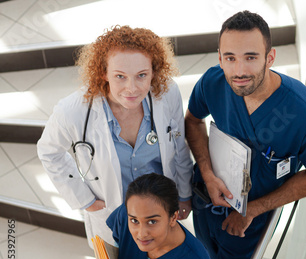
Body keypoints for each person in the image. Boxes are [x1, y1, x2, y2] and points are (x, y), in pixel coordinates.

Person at [185, 10, 306, 259]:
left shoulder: (304, 115)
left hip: (249, 225)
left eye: (250, 57)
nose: (239, 70)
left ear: (270, 58)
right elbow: (192, 121)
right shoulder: (214, 82)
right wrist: (207, 174)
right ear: (220, 58)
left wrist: (252, 211)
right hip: (206, 201)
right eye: (230, 58)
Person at [37, 26, 193, 247]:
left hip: (160, 210)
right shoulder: (73, 111)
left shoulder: (167, 93)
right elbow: (48, 152)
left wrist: (184, 193)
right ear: (104, 73)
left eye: (142, 75)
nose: (132, 88)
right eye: (120, 76)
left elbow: (179, 143)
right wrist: (85, 200)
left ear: (153, 71)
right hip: (112, 215)